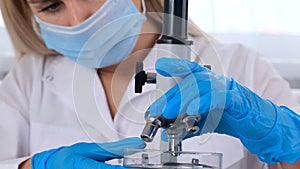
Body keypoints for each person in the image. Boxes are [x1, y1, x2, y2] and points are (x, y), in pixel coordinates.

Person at [0, 0, 299, 169]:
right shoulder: (29, 79)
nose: (81, 19)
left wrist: (282, 135)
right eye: (52, 5)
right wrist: (34, 167)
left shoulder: (241, 65)